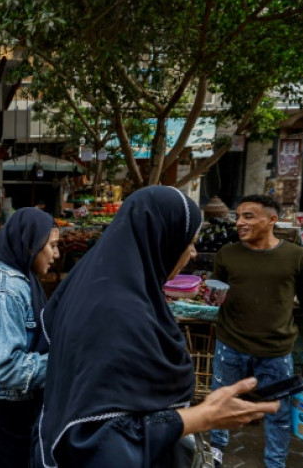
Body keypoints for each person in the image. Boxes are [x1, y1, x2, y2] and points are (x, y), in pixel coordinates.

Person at [35, 186, 280, 467]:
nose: (193, 253)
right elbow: (99, 438)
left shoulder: (98, 284)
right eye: (188, 242)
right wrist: (198, 418)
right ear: (162, 239)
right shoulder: (116, 313)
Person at [209, 194, 303, 468]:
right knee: (220, 402)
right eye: (238, 216)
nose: (239, 223)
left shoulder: (297, 256)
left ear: (272, 220)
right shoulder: (227, 254)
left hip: (276, 351)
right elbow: (216, 293)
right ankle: (215, 452)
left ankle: (275, 462)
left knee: (278, 410)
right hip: (230, 344)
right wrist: (209, 295)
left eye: (248, 217)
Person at [0, 208, 59, 467]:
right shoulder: (6, 292)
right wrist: (62, 363)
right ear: (30, 246)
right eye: (51, 246)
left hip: (9, 406)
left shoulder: (24, 282)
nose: (56, 254)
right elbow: (5, 367)